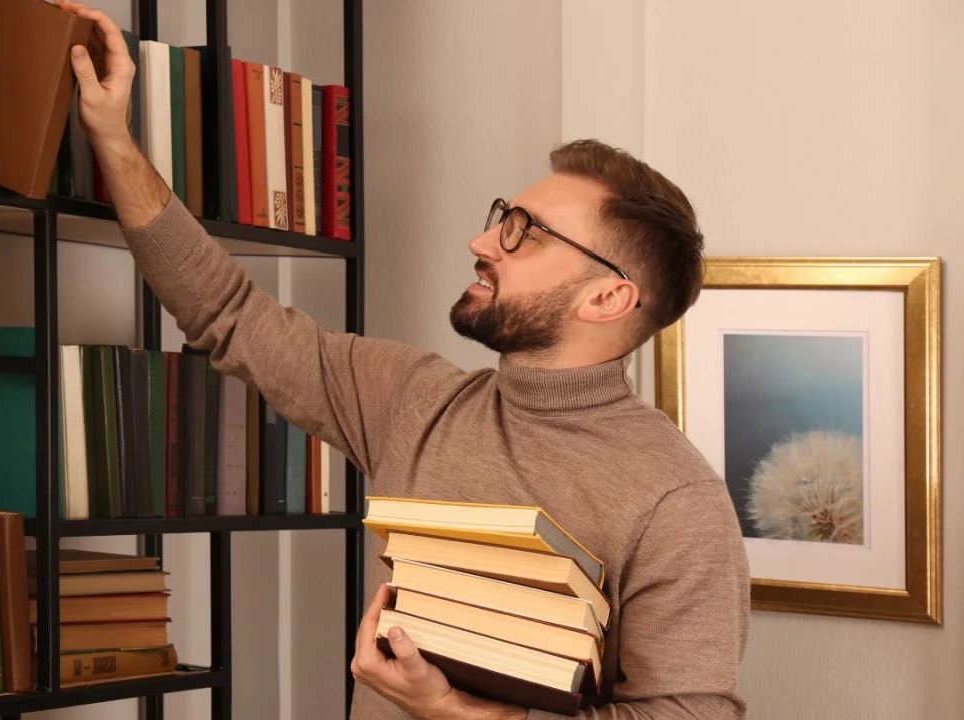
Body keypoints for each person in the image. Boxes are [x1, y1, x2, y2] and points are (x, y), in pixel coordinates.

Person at [53, 3, 750, 718]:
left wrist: (463, 715)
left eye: (523, 234)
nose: (483, 243)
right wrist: (113, 139)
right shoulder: (414, 400)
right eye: (499, 218)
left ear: (606, 298)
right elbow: (227, 313)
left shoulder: (676, 502)